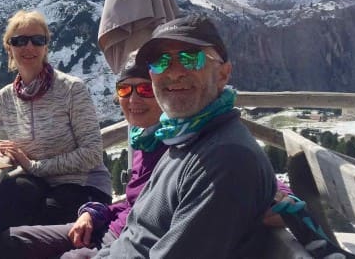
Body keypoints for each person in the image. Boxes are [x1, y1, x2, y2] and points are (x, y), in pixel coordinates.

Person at [0, 52, 292, 258]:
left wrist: (282, 198)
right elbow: (132, 203)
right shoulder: (147, 139)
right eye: (125, 90)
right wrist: (92, 212)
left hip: (131, 243)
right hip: (110, 229)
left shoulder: (183, 142)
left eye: (144, 89)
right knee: (11, 240)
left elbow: (249, 176)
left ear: (160, 91)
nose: (133, 99)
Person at [96, 14, 276, 258]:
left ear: (223, 74)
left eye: (191, 58)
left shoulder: (225, 159)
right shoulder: (183, 139)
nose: (174, 72)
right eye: (160, 62)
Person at [0, 10, 111, 259]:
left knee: (42, 217)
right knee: (11, 192)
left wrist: (34, 166)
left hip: (81, 183)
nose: (29, 47)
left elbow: (91, 154)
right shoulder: (6, 98)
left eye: (37, 40)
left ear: (46, 46)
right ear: (9, 48)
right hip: (38, 181)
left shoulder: (71, 89)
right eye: (19, 41)